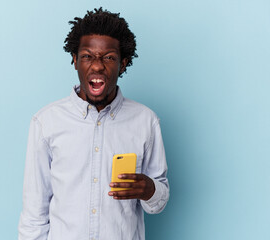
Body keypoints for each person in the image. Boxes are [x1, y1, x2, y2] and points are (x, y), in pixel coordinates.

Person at [18, 7, 169, 240]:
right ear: (75, 60)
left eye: (109, 58)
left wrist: (150, 190)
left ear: (123, 64)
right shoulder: (46, 122)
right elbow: (34, 214)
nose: (97, 66)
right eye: (88, 56)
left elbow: (157, 203)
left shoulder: (146, 121)